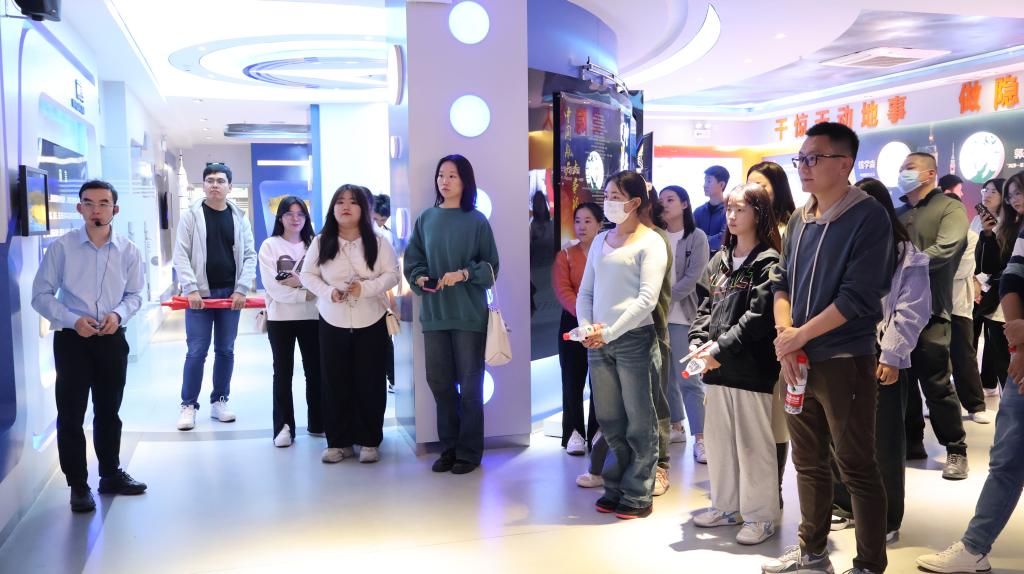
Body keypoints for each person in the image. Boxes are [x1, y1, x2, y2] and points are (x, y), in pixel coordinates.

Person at [764, 122, 894, 574]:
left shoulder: (868, 216)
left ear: (844, 164)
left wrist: (799, 336)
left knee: (855, 465)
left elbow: (859, 296)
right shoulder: (801, 218)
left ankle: (869, 563)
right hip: (798, 360)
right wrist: (787, 337)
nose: (803, 167)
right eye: (800, 158)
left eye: (813, 158)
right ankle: (812, 550)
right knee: (807, 462)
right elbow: (780, 280)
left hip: (844, 360)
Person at [915, 170, 1024, 574]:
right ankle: (974, 547)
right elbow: (1010, 280)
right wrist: (1019, 339)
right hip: (1015, 350)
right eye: (1010, 193)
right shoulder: (1011, 232)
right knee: (1007, 458)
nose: (1014, 199)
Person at [31, 180, 147, 512]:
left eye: (103, 203)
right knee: (71, 414)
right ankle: (78, 485)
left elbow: (136, 294)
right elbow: (40, 295)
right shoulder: (62, 248)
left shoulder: (128, 250)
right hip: (73, 341)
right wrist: (72, 320)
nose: (96, 209)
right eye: (89, 203)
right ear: (80, 208)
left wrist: (118, 314)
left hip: (112, 338)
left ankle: (110, 474)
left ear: (115, 209)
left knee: (109, 411)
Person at [830, 177, 931, 544]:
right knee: (839, 435)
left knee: (883, 441)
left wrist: (891, 354)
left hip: (881, 355)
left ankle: (886, 518)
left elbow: (912, 309)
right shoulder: (842, 248)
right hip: (840, 353)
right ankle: (843, 504)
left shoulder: (907, 255)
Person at [689, 183, 782, 545]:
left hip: (750, 369)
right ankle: (727, 507)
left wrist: (719, 349)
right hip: (716, 369)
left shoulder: (768, 261)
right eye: (729, 208)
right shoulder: (720, 259)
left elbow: (757, 319)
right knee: (719, 443)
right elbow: (704, 306)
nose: (731, 215)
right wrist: (698, 342)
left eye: (740, 209)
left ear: (759, 214)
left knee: (753, 445)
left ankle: (761, 516)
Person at [576, 170, 667, 519]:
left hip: (634, 340)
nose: (609, 201)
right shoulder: (601, 240)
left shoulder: (651, 242)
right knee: (610, 419)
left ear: (635, 202)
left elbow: (647, 299)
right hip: (598, 341)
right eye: (607, 195)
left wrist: (610, 332)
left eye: (616, 196)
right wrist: (587, 328)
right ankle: (614, 486)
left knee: (640, 421)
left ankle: (638, 492)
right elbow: (586, 292)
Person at [404, 155, 499, 475]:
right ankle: (449, 448)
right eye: (441, 175)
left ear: (465, 181)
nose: (444, 181)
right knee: (439, 383)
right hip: (435, 315)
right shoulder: (426, 218)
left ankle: (469, 453)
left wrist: (464, 274)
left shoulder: (477, 221)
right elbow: (413, 261)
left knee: (471, 388)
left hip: (469, 315)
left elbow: (491, 267)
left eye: (452, 176)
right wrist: (419, 277)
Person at [301, 185, 399, 464]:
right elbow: (307, 275)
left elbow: (393, 274)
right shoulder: (321, 242)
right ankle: (338, 442)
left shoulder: (378, 242)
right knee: (334, 381)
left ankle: (369, 440)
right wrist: (328, 292)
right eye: (340, 201)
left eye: (353, 202)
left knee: (371, 380)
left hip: (372, 319)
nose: (345, 206)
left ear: (363, 209)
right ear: (333, 208)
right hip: (332, 319)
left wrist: (366, 289)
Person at [895, 152, 970, 479]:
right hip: (896, 312)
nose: (903, 172)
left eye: (910, 168)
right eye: (902, 168)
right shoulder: (898, 213)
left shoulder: (949, 208)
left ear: (930, 173)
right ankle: (912, 441)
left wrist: (902, 268)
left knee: (936, 382)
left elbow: (947, 248)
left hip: (931, 310)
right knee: (902, 380)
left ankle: (956, 448)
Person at [173, 163, 256, 430]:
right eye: (210, 180)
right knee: (196, 351)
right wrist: (191, 288)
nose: (215, 185)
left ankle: (220, 400)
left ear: (230, 186)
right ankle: (188, 405)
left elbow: (250, 255)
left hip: (230, 296)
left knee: (225, 350)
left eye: (221, 181)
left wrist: (242, 288)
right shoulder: (191, 216)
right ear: (204, 185)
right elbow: (181, 254)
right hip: (199, 296)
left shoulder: (239, 217)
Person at [747, 160, 797, 506]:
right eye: (750, 184)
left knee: (777, 416)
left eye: (762, 185)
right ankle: (750, 486)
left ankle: (773, 488)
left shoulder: (791, 226)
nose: (755, 191)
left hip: (779, 329)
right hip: (747, 331)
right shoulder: (743, 225)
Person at [257, 197, 322, 447]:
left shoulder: (315, 244)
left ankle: (318, 422)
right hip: (280, 318)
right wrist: (306, 292)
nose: (295, 219)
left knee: (315, 371)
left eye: (300, 214)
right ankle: (283, 427)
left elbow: (323, 280)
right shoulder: (269, 246)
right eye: (289, 214)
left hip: (313, 317)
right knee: (283, 373)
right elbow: (272, 287)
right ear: (280, 217)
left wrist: (299, 282)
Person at [659, 185, 709, 462]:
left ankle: (701, 438)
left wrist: (661, 300)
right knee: (665, 378)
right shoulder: (656, 236)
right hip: (657, 318)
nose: (664, 204)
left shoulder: (696, 236)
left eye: (670, 199)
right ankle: (676, 426)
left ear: (685, 204)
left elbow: (692, 278)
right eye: (661, 200)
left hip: (684, 317)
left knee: (688, 378)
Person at [553, 202, 604, 456]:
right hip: (572, 323)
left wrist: (595, 320)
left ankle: (597, 431)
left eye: (587, 221)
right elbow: (563, 290)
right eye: (577, 221)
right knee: (572, 379)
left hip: (601, 324)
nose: (581, 226)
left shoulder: (607, 254)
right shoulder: (565, 255)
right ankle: (573, 432)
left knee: (600, 380)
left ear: (600, 225)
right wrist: (583, 316)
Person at [945, 177, 989, 424]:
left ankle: (975, 404)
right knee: (938, 359)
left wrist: (933, 268)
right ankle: (945, 404)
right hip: (932, 305)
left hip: (958, 305)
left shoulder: (970, 237)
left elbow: (962, 270)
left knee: (963, 355)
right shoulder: (934, 236)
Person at [973, 178, 1010, 397]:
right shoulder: (981, 222)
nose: (986, 194)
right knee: (999, 353)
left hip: (1008, 295)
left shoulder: (1012, 225)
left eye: (993, 191)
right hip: (994, 294)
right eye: (984, 190)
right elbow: (986, 264)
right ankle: (991, 385)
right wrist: (988, 235)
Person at [694, 165, 729, 253]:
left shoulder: (729, 211)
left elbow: (723, 239)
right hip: (699, 257)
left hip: (721, 258)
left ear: (721, 185)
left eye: (709, 181)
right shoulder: (698, 211)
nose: (704, 185)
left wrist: (700, 241)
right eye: (705, 181)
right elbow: (691, 236)